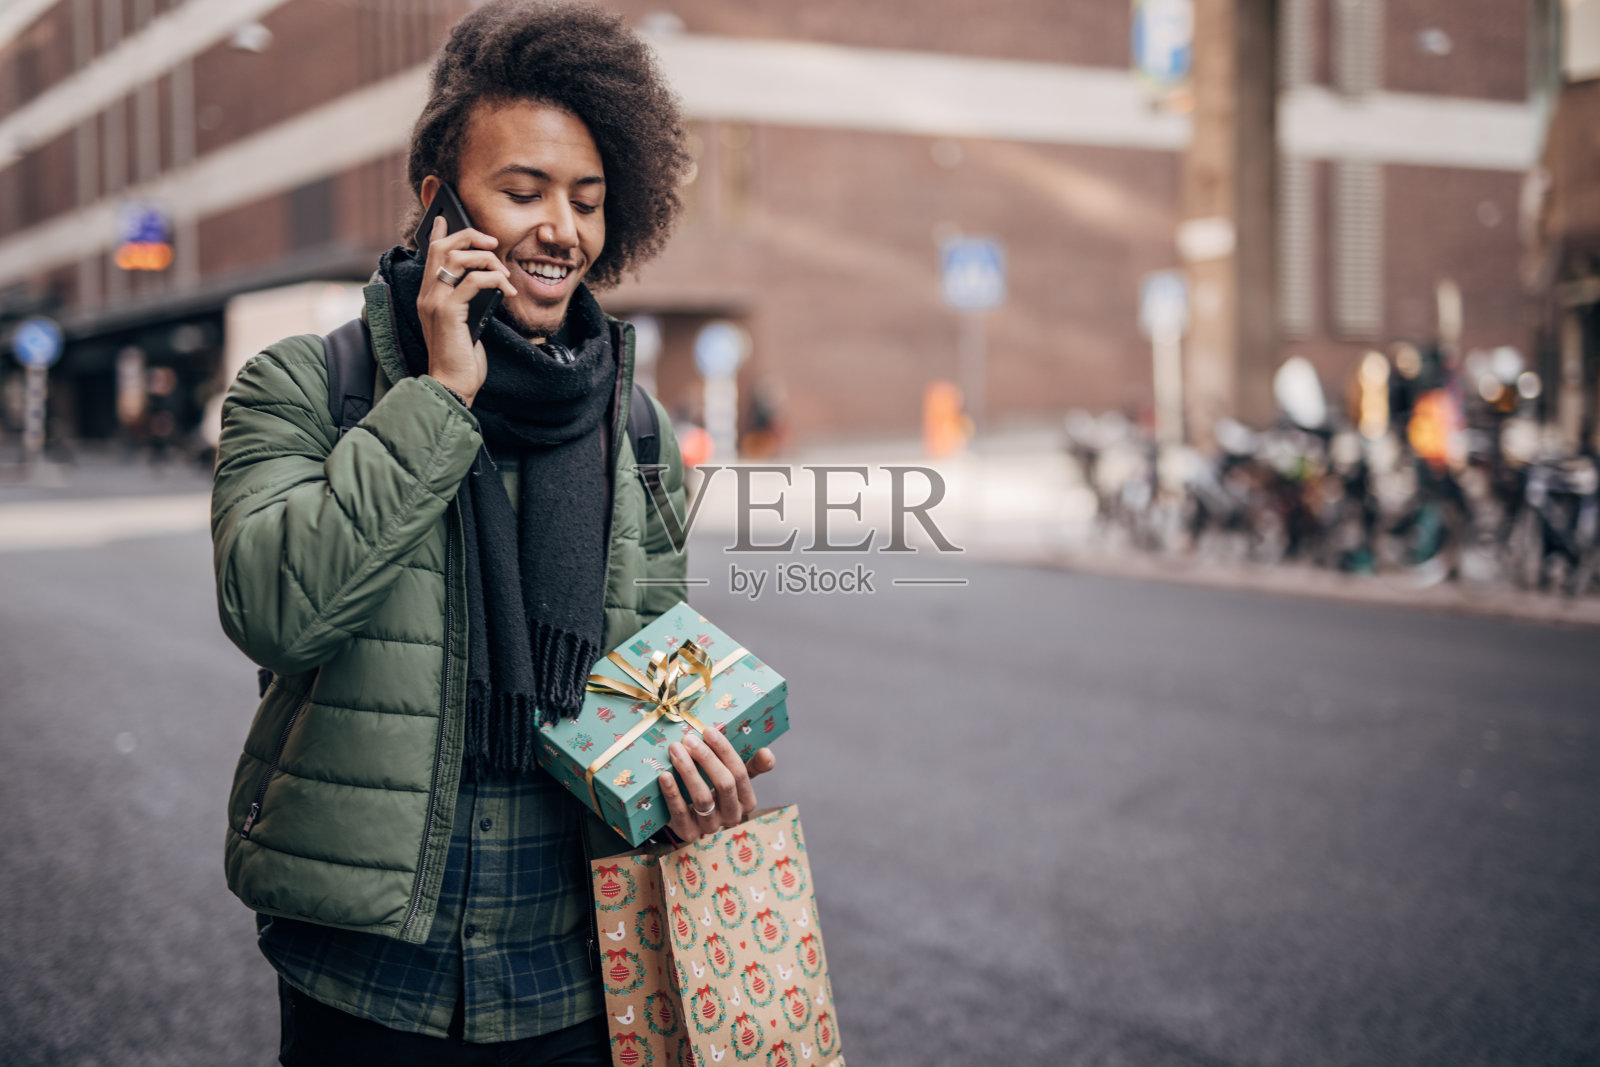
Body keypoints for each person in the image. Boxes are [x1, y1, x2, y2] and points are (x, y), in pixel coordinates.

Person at [209, 4, 776, 1063]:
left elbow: (650, 667)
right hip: (369, 976)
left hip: (571, 971)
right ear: (437, 204)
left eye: (588, 201)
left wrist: (696, 773)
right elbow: (276, 610)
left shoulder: (633, 422)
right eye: (522, 192)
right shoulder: (305, 385)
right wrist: (441, 395)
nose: (559, 227)